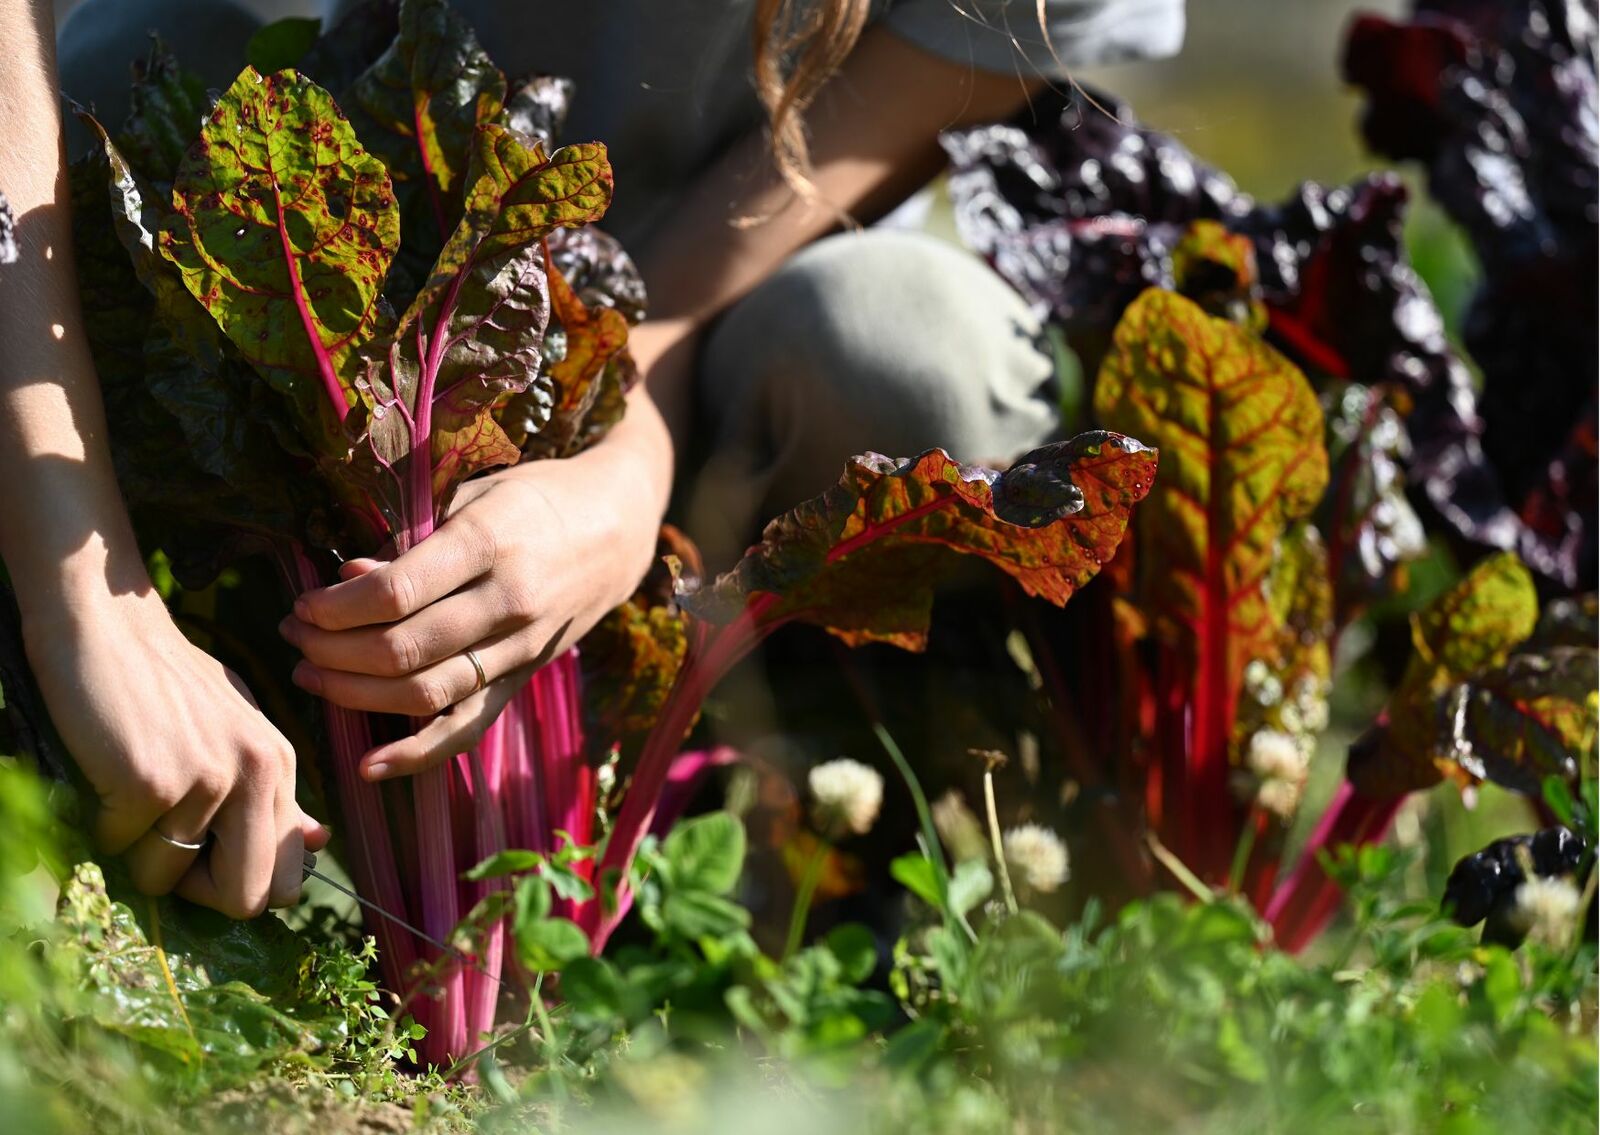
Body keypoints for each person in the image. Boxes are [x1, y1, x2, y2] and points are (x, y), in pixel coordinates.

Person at [2, 0, 1184, 917]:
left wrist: (632, 442)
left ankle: (791, 764)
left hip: (730, 263)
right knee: (118, 97)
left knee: (894, 362)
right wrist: (85, 597)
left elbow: (973, 44)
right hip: (286, 141)